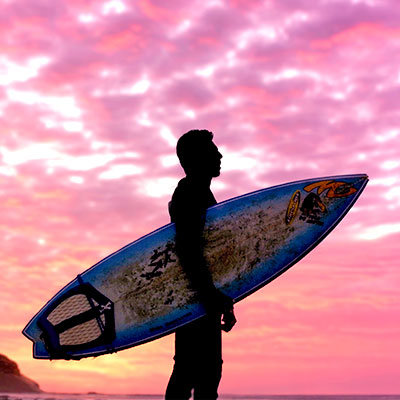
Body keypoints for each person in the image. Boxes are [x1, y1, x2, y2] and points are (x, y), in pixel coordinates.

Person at [165, 129, 236, 400]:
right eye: (211, 151)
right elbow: (188, 251)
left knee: (205, 373)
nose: (219, 155)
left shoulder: (202, 193)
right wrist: (211, 295)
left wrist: (224, 301)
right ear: (195, 158)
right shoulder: (190, 193)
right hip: (194, 298)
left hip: (203, 298)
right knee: (191, 372)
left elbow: (212, 254)